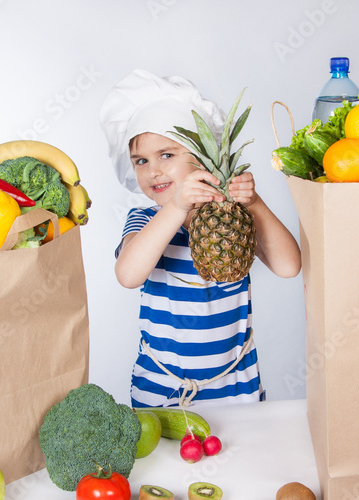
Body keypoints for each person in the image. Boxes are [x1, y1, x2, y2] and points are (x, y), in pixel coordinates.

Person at [100, 69, 301, 408]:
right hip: (160, 390)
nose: (153, 171)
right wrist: (178, 206)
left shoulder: (235, 218)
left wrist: (255, 204)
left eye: (167, 155)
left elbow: (289, 266)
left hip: (236, 388)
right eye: (141, 161)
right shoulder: (145, 220)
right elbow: (128, 274)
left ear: (201, 159)